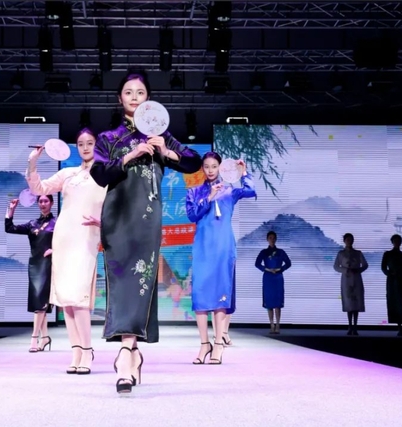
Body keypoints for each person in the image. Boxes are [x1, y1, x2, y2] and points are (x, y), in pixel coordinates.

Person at [90, 71, 202, 393]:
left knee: (141, 280)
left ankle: (126, 353)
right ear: (120, 98)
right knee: (122, 283)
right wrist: (131, 155)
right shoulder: (109, 138)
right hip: (117, 218)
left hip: (148, 219)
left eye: (140, 92)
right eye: (128, 92)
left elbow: (193, 162)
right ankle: (132, 352)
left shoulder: (161, 135)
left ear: (148, 99)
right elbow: (99, 174)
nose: (134, 97)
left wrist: (165, 152)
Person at [26, 128, 107, 375]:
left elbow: (115, 206)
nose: (85, 147)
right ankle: (76, 352)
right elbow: (39, 188)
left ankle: (87, 350)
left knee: (79, 299)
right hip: (64, 238)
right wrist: (33, 163)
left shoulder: (105, 174)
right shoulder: (68, 173)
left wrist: (104, 223)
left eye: (90, 143)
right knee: (67, 301)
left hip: (86, 238)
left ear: (97, 145)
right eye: (81, 144)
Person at [186, 152, 256, 364]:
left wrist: (244, 172)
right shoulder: (194, 192)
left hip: (223, 247)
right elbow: (192, 215)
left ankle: (218, 343)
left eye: (214, 166)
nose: (210, 170)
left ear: (220, 168)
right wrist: (208, 197)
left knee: (220, 296)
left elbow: (251, 190)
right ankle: (204, 344)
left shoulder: (230, 191)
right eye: (206, 166)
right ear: (202, 168)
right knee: (200, 296)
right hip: (203, 248)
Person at [5, 194, 55, 353]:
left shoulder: (57, 223)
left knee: (40, 303)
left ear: (52, 203)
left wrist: (55, 249)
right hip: (34, 265)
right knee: (39, 302)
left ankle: (34, 338)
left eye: (46, 201)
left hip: (49, 265)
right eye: (40, 201)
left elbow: (69, 240)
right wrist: (11, 210)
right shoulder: (32, 224)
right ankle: (45, 337)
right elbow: (9, 228)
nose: (43, 203)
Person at [255, 231, 292, 334]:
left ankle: (278, 325)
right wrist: (266, 269)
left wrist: (281, 269)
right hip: (268, 278)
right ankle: (271, 325)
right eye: (270, 238)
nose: (272, 239)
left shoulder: (281, 252)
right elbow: (257, 264)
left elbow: (288, 263)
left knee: (277, 302)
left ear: (276, 239)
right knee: (269, 302)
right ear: (267, 239)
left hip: (278, 278)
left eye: (273, 238)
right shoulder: (264, 252)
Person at [333, 233, 368, 335]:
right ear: (344, 241)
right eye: (347, 239)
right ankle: (349, 326)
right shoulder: (341, 253)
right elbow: (336, 266)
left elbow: (365, 265)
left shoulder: (358, 253)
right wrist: (345, 270)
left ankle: (355, 326)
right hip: (346, 279)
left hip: (356, 279)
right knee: (349, 302)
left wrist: (358, 270)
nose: (349, 241)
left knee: (356, 302)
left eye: (351, 239)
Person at [381, 234, 402, 337]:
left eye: (398, 241)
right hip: (392, 282)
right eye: (395, 241)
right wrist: (390, 274)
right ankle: (399, 328)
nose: (397, 243)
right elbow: (383, 267)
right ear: (392, 242)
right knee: (394, 304)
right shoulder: (387, 254)